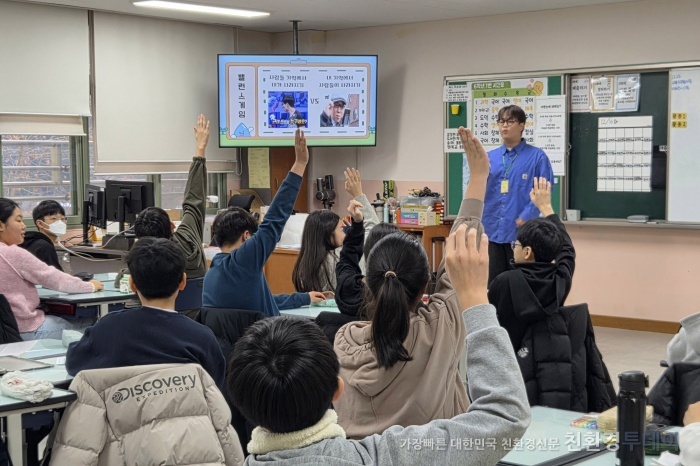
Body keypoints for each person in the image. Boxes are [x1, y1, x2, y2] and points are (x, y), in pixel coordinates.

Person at [226, 224, 530, 465]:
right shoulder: (381, 456)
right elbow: (505, 416)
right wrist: (475, 298)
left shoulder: (347, 339)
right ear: (337, 389)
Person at [332, 126, 489, 438]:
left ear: (368, 284)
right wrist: (478, 177)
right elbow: (458, 259)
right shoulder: (438, 330)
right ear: (424, 287)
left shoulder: (344, 341)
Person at [65, 237, 227, 390]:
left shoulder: (107, 329)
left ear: (132, 284)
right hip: (187, 411)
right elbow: (214, 389)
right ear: (183, 281)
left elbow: (74, 363)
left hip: (121, 410)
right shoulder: (202, 338)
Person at [202, 129, 325, 316]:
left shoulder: (213, 273)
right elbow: (274, 219)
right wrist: (299, 164)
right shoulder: (244, 260)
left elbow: (262, 299)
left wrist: (303, 298)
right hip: (265, 334)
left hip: (239, 335)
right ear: (246, 236)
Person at [487, 177, 574, 350]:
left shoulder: (505, 281)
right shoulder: (560, 279)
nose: (514, 248)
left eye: (516, 244)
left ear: (527, 252)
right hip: (546, 355)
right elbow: (567, 250)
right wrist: (546, 208)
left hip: (511, 357)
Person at [0, 198, 102, 340]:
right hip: (25, 328)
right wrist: (90, 286)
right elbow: (55, 279)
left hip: (5, 331)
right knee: (97, 324)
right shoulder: (12, 254)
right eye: (18, 220)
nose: (23, 226)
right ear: (1, 225)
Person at [132, 114, 210, 279]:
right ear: (172, 226)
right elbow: (194, 200)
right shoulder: (189, 241)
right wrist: (200, 148)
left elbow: (123, 280)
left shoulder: (141, 270)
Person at [483, 104, 554, 285]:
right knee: (494, 283)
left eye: (510, 121)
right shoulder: (489, 158)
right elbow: (478, 187)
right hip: (492, 230)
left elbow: (544, 190)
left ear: (522, 125)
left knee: (520, 284)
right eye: (501, 121)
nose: (504, 126)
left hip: (521, 234)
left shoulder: (537, 157)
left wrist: (526, 217)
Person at [292, 167, 379, 294]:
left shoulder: (304, 265)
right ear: (329, 235)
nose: (345, 232)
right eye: (341, 229)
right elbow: (374, 233)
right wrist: (358, 194)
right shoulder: (341, 258)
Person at [334, 209, 400, 317]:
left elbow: (347, 261)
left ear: (367, 258)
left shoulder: (350, 290)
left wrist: (357, 224)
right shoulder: (406, 294)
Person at [19, 200, 67, 270]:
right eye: (54, 218)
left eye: (62, 219)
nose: (60, 223)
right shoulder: (43, 247)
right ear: (40, 224)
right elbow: (53, 276)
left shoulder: (32, 242)